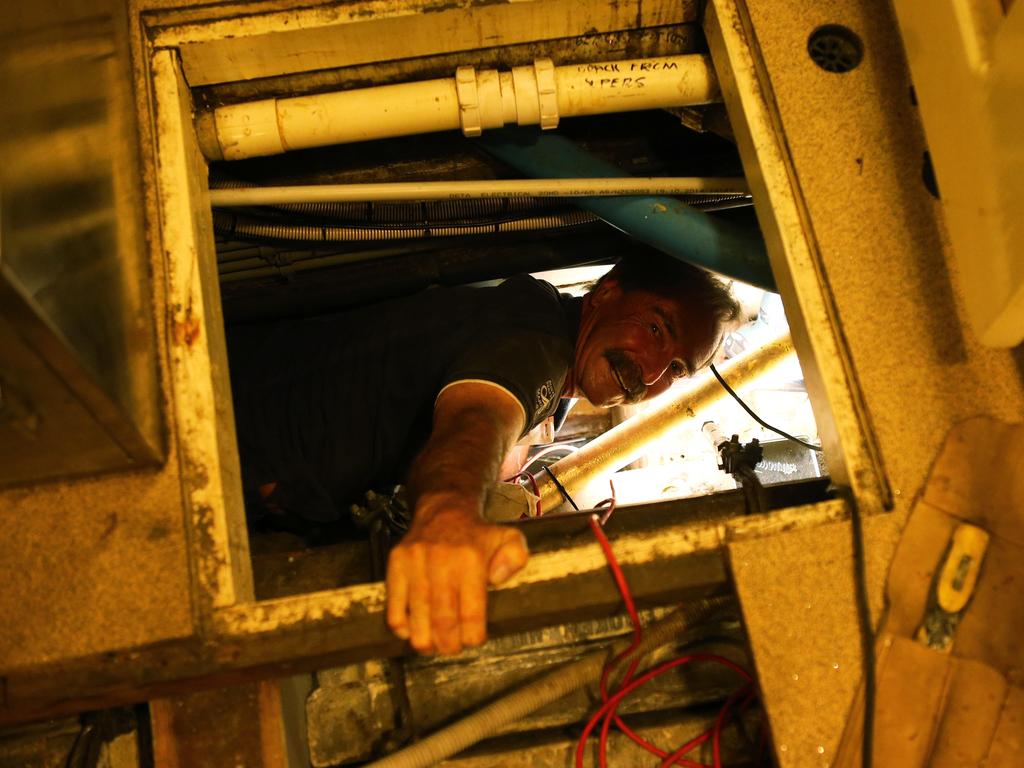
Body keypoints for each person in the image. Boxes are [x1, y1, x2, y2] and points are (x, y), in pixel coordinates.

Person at [227, 249, 740, 655]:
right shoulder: (535, 342)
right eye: (655, 329)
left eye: (675, 368)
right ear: (607, 293)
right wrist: (450, 514)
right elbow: (478, 420)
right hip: (221, 423)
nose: (650, 374)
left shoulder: (545, 346)